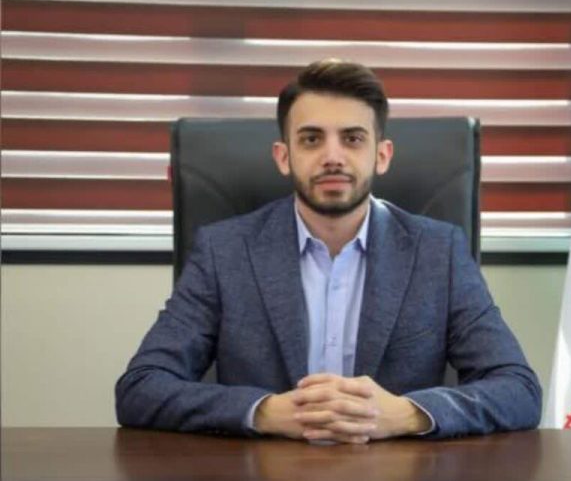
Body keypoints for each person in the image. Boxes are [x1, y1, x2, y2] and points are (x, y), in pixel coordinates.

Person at [115, 59, 541, 443]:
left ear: (382, 155)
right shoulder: (224, 251)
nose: (332, 157)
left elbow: (518, 389)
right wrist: (262, 412)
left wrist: (406, 414)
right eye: (311, 139)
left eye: (352, 138)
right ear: (283, 157)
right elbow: (140, 387)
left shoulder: (438, 252)